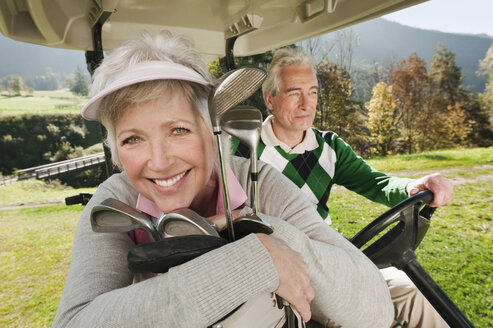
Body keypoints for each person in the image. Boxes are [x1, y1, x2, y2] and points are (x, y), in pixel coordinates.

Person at [52, 31, 395, 328]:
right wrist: (256, 261)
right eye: (132, 139)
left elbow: (375, 310)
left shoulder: (258, 182)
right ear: (116, 148)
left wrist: (265, 232)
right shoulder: (116, 198)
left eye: (179, 130)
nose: (158, 162)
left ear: (213, 132)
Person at [231, 47, 454, 328]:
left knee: (412, 291)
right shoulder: (242, 150)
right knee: (358, 317)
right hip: (282, 267)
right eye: (294, 92)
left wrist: (412, 185)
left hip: (334, 256)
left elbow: (376, 183)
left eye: (312, 92)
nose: (306, 103)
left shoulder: (330, 147)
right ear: (270, 99)